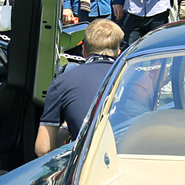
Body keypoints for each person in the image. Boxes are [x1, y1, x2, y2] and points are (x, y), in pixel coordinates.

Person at [35, 18, 123, 155]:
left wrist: (66, 128)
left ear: (83, 51)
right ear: (119, 52)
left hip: (88, 164)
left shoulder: (62, 82)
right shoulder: (137, 79)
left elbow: (43, 148)